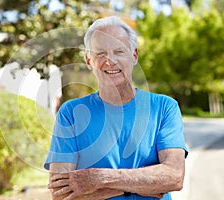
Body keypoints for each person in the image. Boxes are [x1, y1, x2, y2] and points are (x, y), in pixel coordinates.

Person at [44, 16, 188, 200]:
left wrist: (98, 178)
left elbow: (174, 177)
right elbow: (60, 193)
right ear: (89, 60)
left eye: (119, 51)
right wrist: (140, 185)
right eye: (100, 53)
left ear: (134, 56)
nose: (110, 61)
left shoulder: (164, 107)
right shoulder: (70, 113)